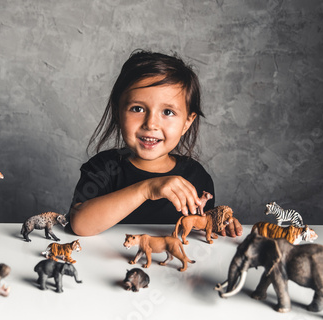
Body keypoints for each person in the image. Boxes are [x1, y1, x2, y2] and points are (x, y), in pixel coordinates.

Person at [69, 50, 242, 237]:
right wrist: (147, 189)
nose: (151, 124)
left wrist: (222, 223)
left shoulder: (196, 176)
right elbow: (80, 224)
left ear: (187, 122)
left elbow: (204, 225)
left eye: (167, 112)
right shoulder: (104, 167)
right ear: (118, 113)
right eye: (137, 108)